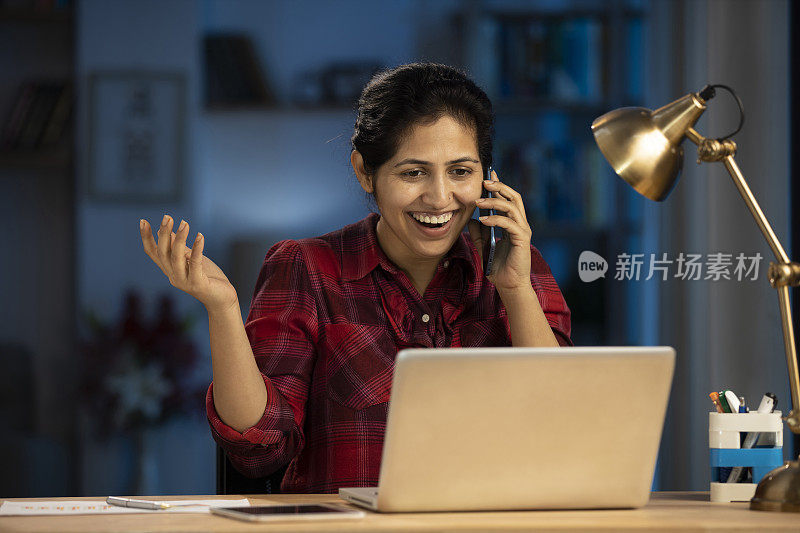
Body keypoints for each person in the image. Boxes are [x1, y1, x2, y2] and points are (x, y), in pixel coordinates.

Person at [139, 62, 571, 494]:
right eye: (413, 172)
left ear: (487, 178)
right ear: (365, 170)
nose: (440, 197)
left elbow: (562, 426)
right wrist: (223, 308)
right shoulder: (306, 268)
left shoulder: (516, 264)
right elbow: (261, 450)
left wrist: (515, 289)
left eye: (461, 171)